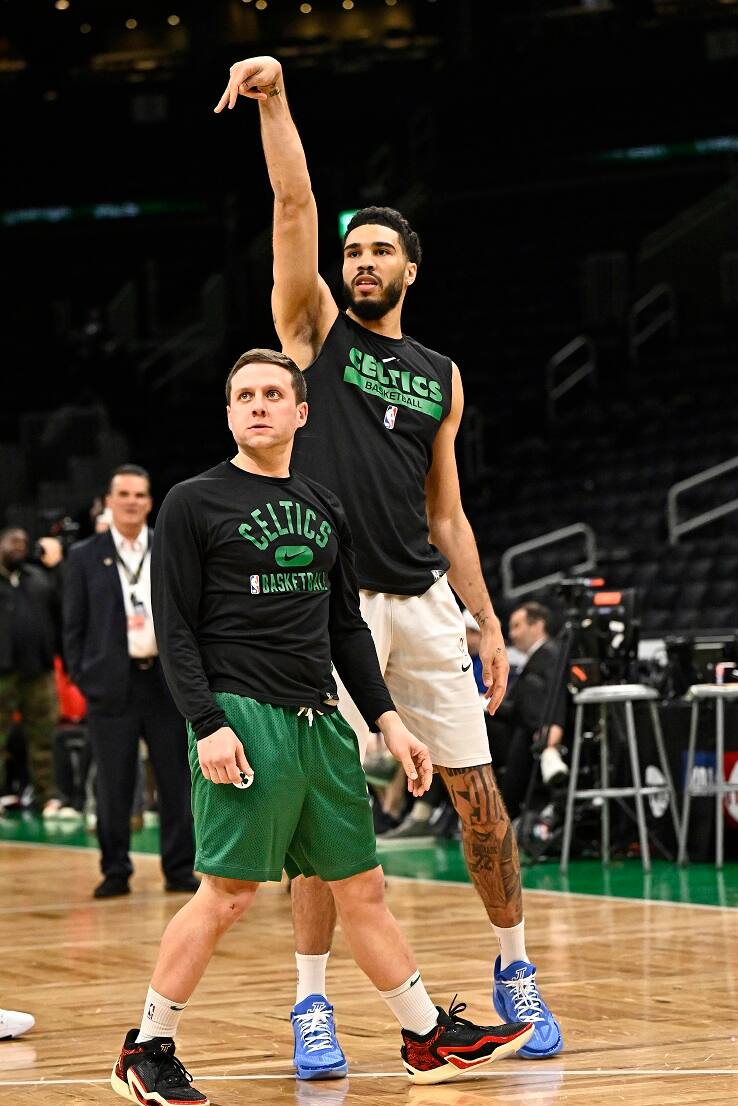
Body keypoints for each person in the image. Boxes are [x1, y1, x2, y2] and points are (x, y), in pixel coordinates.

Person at [213, 56, 563, 1065]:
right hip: (324, 610)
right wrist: (275, 103)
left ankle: (515, 964)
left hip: (421, 606)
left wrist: (488, 619)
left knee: (479, 797)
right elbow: (291, 201)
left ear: (411, 268)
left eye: (378, 251)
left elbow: (447, 514)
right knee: (322, 816)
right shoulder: (314, 332)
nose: (360, 260)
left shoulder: (440, 376)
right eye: (352, 249)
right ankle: (311, 1002)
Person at [108, 350, 532, 1105]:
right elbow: (174, 632)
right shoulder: (192, 502)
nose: (259, 405)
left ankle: (426, 1035)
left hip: (320, 722)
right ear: (231, 413)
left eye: (274, 393)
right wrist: (207, 723)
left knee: (361, 887)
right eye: (245, 396)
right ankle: (146, 1048)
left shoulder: (324, 505)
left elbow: (346, 633)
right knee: (229, 893)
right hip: (244, 716)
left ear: (301, 413)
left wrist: (390, 723)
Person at [62, 465, 197, 899]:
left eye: (140, 494)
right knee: (113, 784)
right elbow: (72, 626)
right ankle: (115, 870)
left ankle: (179, 868)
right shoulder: (85, 555)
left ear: (149, 501)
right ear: (108, 500)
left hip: (164, 681)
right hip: (111, 685)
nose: (132, 501)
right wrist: (87, 677)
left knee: (176, 782)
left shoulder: (168, 546)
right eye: (124, 493)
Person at [489, 602, 569, 822]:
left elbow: (554, 693)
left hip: (531, 729)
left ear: (537, 626)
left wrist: (552, 726)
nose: (511, 634)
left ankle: (546, 743)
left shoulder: (549, 654)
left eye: (517, 626)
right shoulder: (537, 658)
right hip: (526, 726)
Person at [0, 527, 61, 815]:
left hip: (37, 669)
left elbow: (62, 609)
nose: (19, 546)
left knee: (43, 737)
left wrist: (56, 566)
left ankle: (47, 797)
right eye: (13, 541)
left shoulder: (39, 578)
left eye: (24, 542)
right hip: (2, 672)